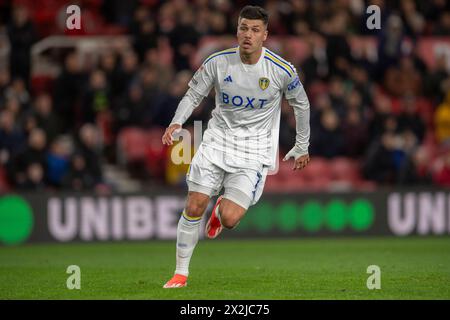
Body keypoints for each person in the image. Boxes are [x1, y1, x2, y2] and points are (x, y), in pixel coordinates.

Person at [161, 5, 311, 288]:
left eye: (255, 30)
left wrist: (301, 145)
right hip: (217, 141)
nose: (248, 35)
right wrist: (176, 122)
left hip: (254, 151)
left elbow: (301, 104)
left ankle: (219, 214)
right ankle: (181, 273)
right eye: (244, 28)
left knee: (230, 218)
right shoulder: (218, 62)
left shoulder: (281, 70)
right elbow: (194, 95)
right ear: (237, 30)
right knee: (194, 204)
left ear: (265, 35)